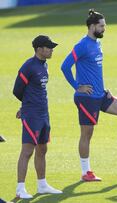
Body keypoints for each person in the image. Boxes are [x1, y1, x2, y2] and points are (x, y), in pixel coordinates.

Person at [61, 9, 117, 182]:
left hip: (100, 95)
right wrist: (77, 87)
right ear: (92, 26)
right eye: (102, 26)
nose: (104, 29)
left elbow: (94, 71)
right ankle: (85, 172)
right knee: (87, 134)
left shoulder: (96, 43)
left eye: (105, 26)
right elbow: (65, 66)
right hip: (86, 98)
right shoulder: (82, 45)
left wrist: (103, 88)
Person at [13, 35, 62, 198]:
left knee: (42, 149)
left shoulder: (44, 65)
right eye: (49, 47)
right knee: (27, 151)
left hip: (43, 114)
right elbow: (17, 90)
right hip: (32, 115)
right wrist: (26, 107)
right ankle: (20, 189)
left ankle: (42, 185)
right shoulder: (29, 66)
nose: (52, 50)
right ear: (39, 49)